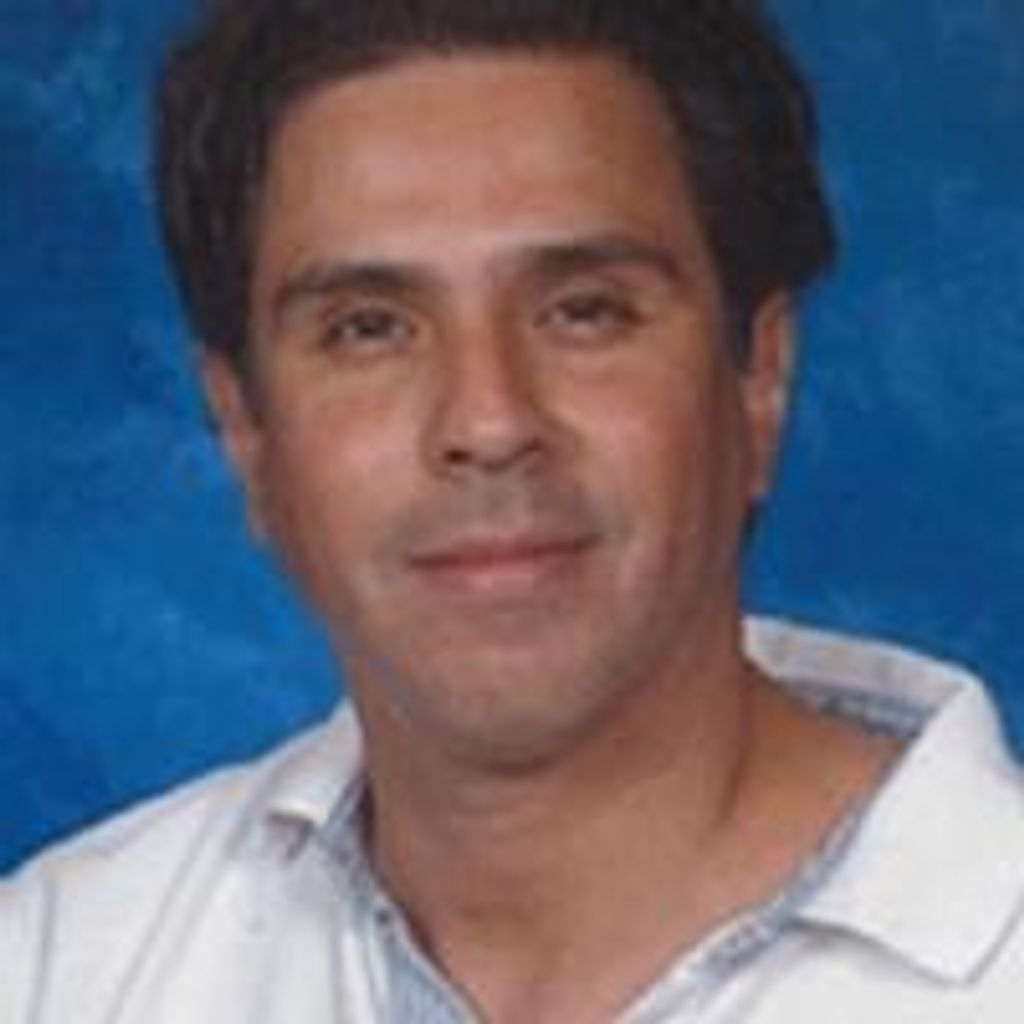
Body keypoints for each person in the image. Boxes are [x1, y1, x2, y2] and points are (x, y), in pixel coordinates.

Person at [3, 0, 1023, 1020]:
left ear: (759, 377)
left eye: (583, 311)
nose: (488, 422)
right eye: (369, 329)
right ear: (245, 431)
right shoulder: (60, 966)